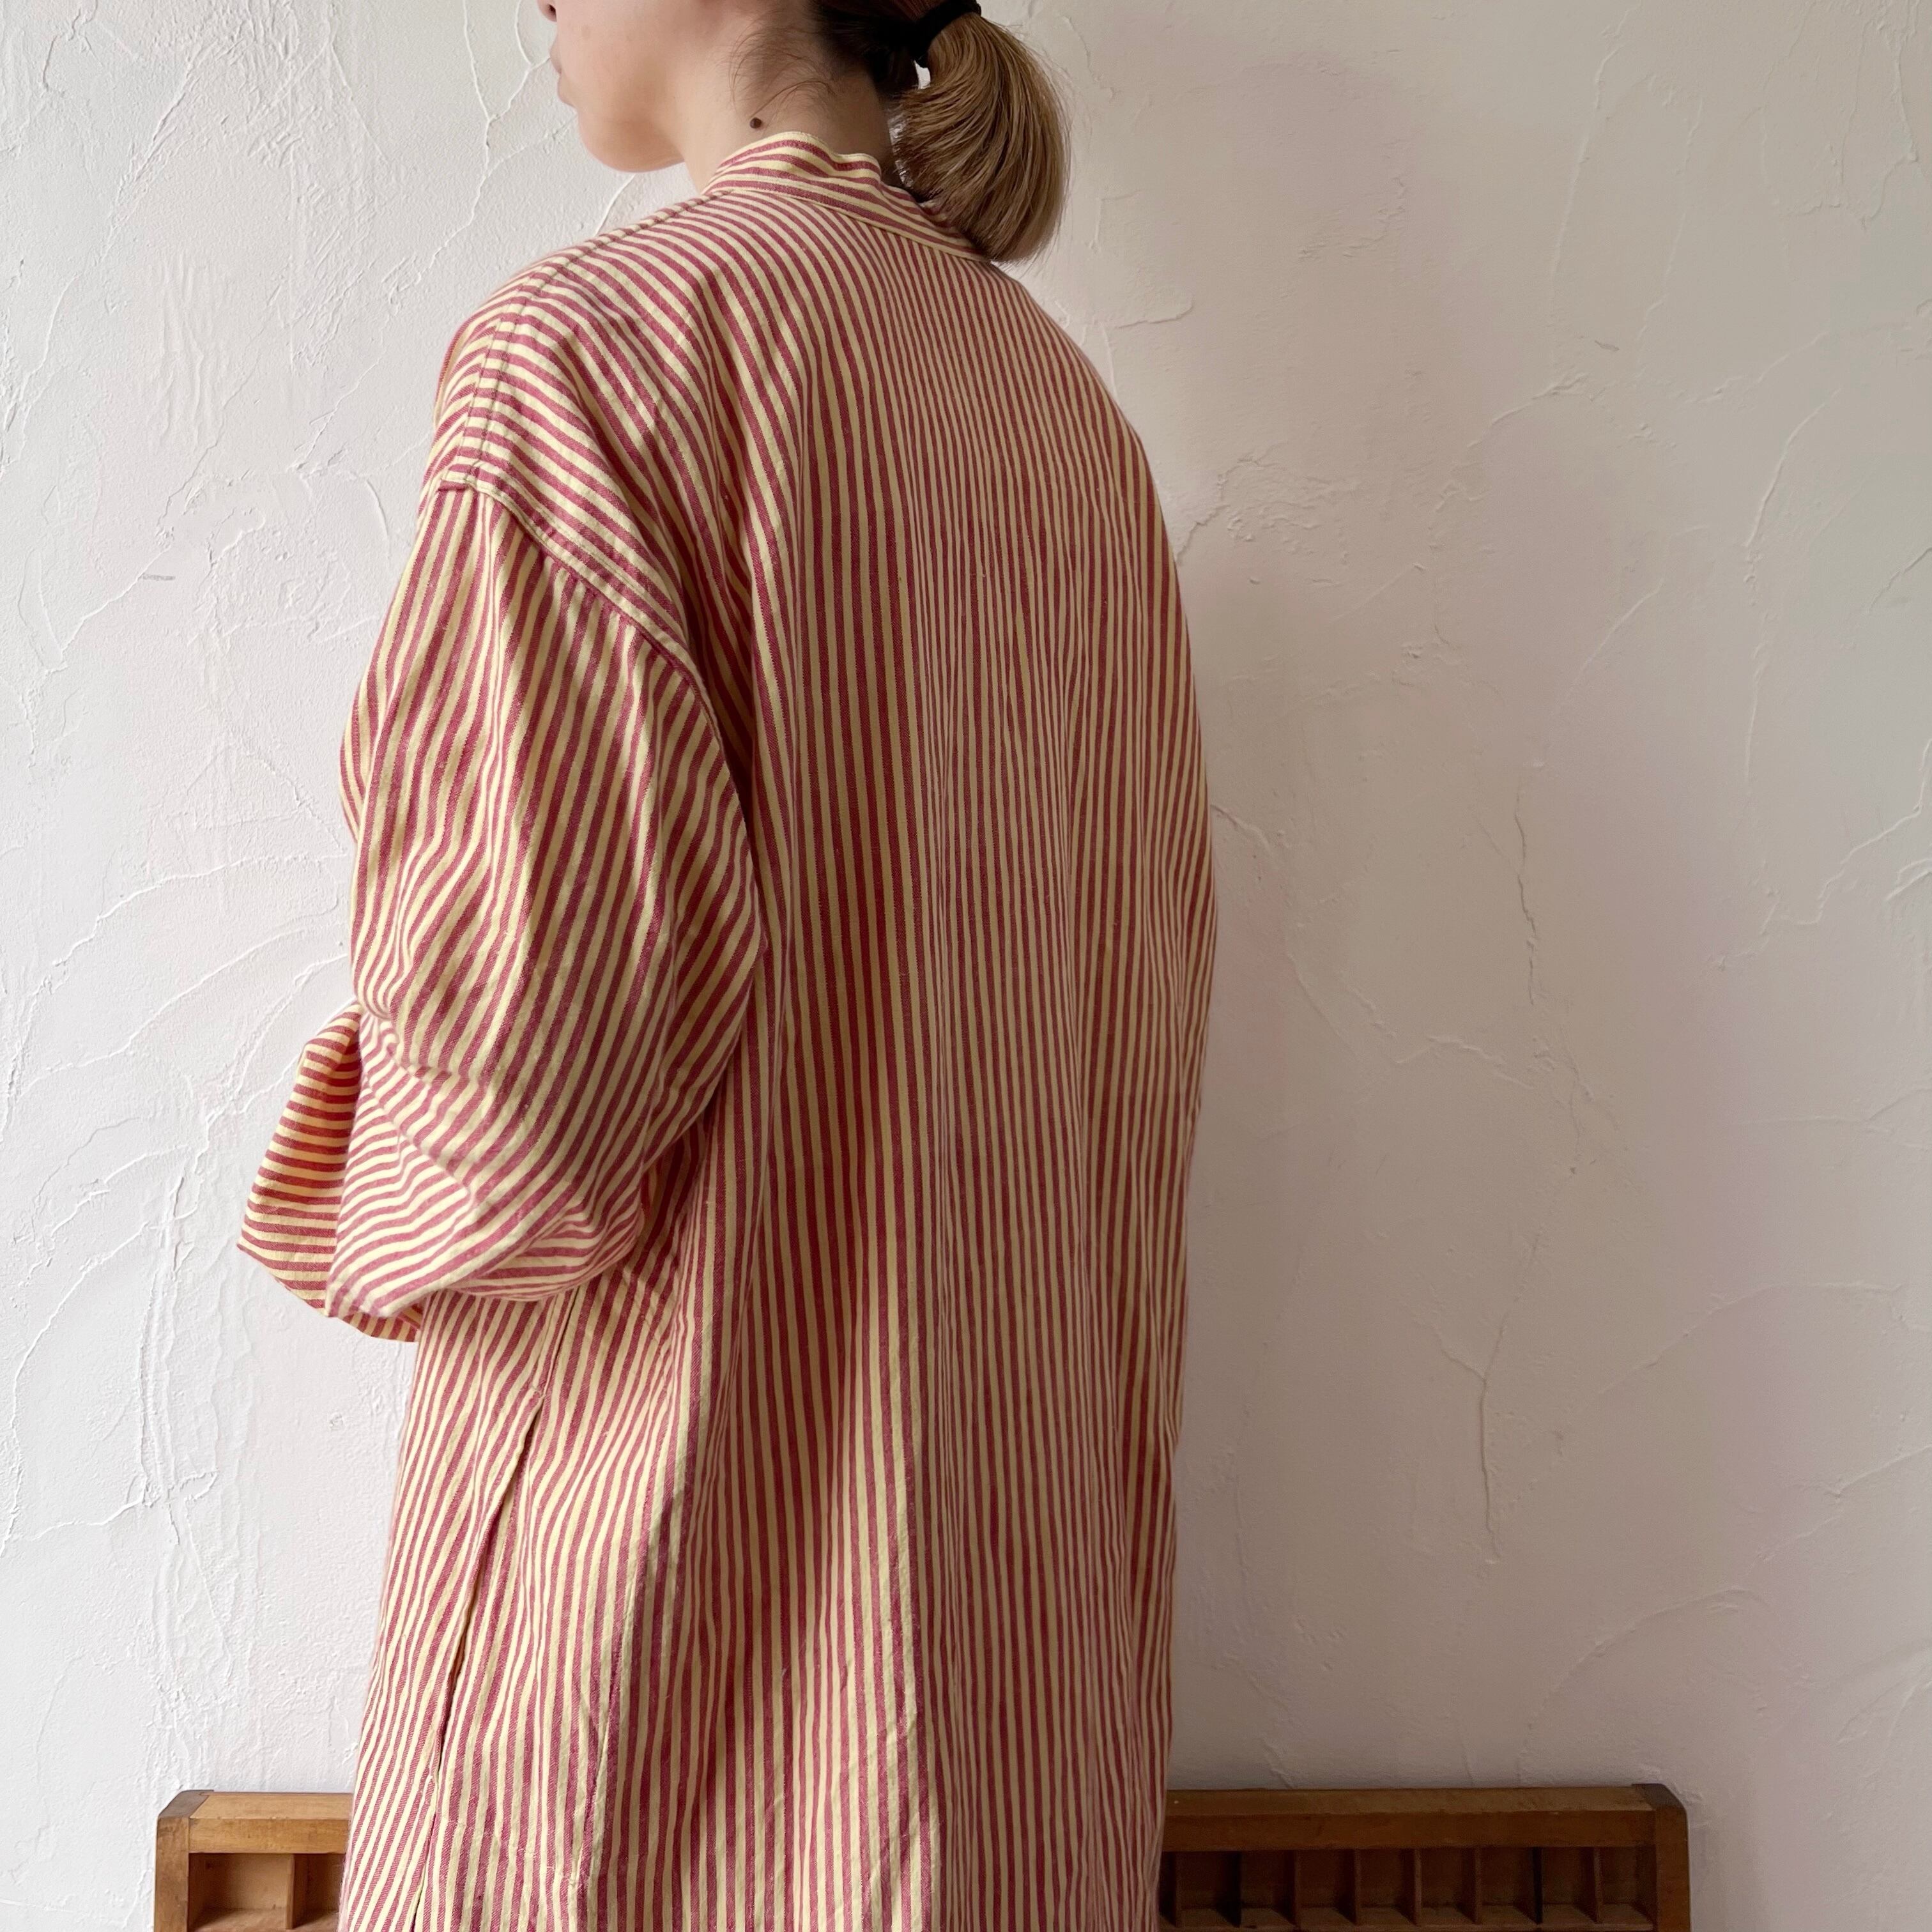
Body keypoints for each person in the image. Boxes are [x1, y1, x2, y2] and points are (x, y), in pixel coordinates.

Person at [236, 0, 1217, 1924]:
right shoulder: (1065, 423)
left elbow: (520, 1091)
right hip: (1009, 1709)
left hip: (673, 1691)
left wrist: (335, 1185)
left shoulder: (590, 359)